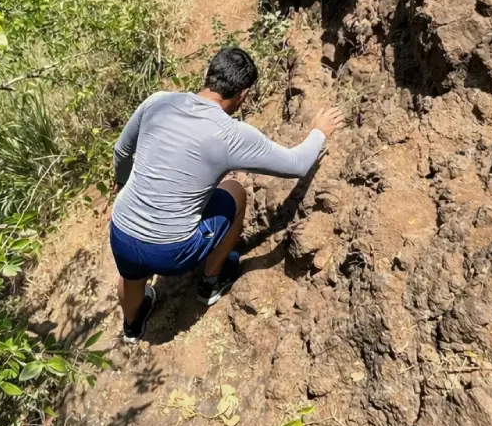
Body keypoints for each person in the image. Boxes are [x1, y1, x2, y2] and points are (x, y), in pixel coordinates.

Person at [108, 46, 345, 343]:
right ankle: (211, 281)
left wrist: (122, 181)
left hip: (121, 230)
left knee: (131, 278)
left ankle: (132, 326)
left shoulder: (158, 102)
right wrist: (319, 132)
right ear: (244, 94)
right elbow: (297, 164)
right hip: (171, 251)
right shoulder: (230, 134)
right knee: (234, 190)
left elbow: (121, 151)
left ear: (208, 74)